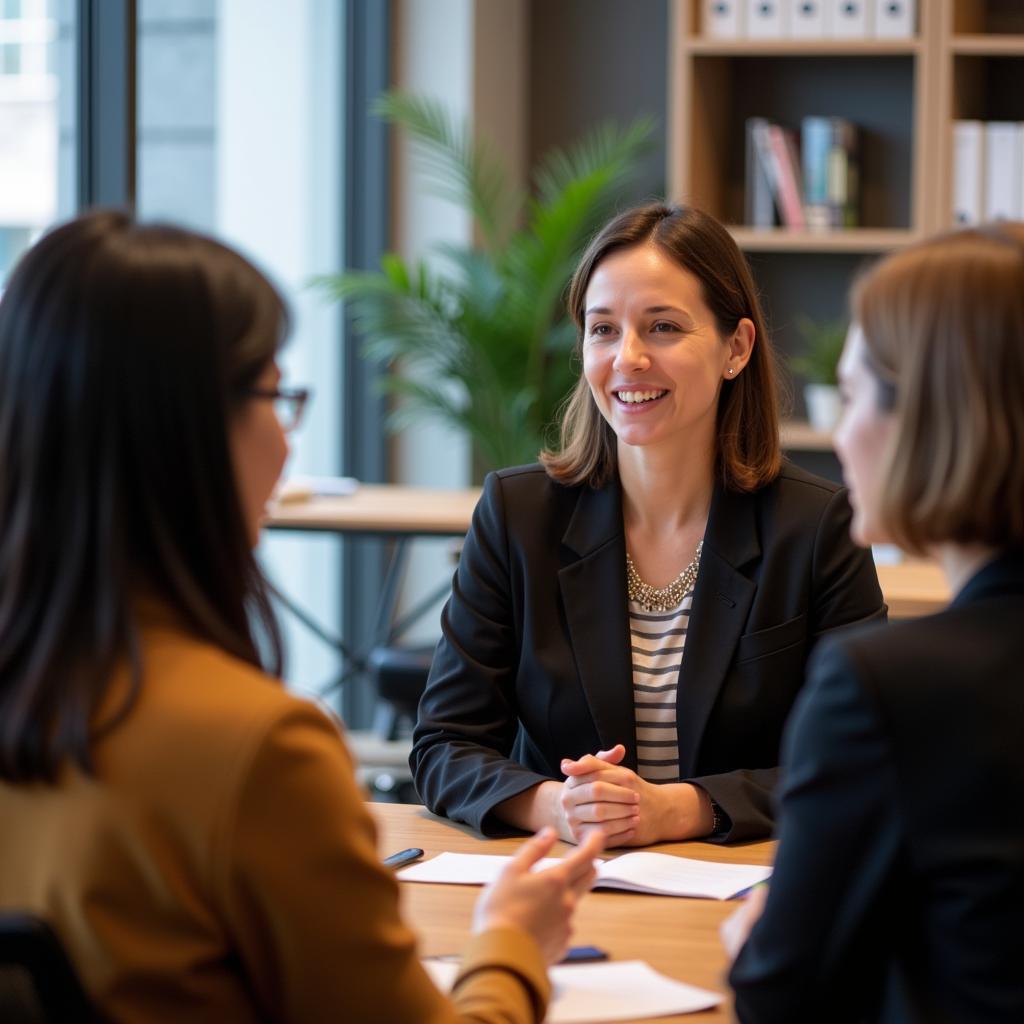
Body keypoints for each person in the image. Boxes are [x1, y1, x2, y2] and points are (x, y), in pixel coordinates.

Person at [0, 210, 602, 1024]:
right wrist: (511, 946)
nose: (287, 444)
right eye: (274, 395)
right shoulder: (257, 753)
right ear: (181, 431)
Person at [411, 202, 885, 847]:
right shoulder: (517, 516)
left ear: (736, 348)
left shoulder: (817, 526)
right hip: (569, 882)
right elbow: (445, 743)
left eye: (662, 327)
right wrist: (558, 807)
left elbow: (864, 760)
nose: (627, 359)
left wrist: (677, 810)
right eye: (602, 330)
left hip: (745, 888)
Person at [724, 224, 1024, 1022]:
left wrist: (758, 938)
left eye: (853, 396)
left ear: (930, 418)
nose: (838, 436)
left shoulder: (887, 686)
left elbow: (781, 996)